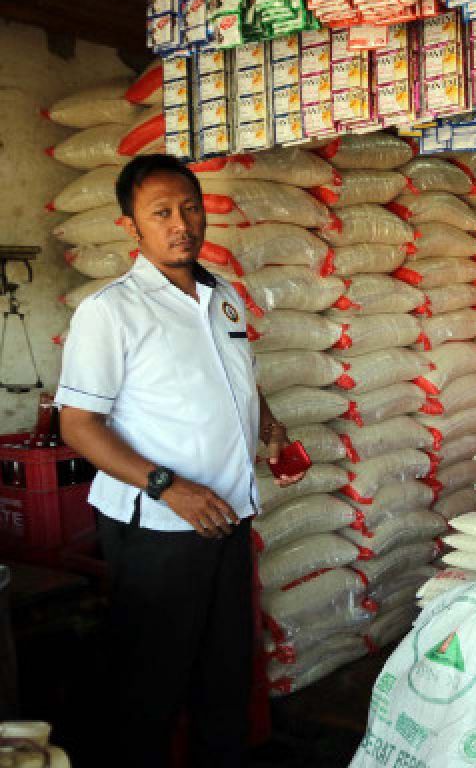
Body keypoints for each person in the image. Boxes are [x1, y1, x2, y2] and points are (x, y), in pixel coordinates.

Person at [55, 155, 307, 767]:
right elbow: (79, 426)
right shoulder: (109, 310)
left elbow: (238, 376)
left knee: (224, 677)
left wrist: (267, 424)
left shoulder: (223, 296)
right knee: (151, 685)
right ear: (129, 227)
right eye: (161, 213)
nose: (181, 225)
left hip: (226, 515)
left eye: (190, 208)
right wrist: (169, 487)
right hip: (159, 530)